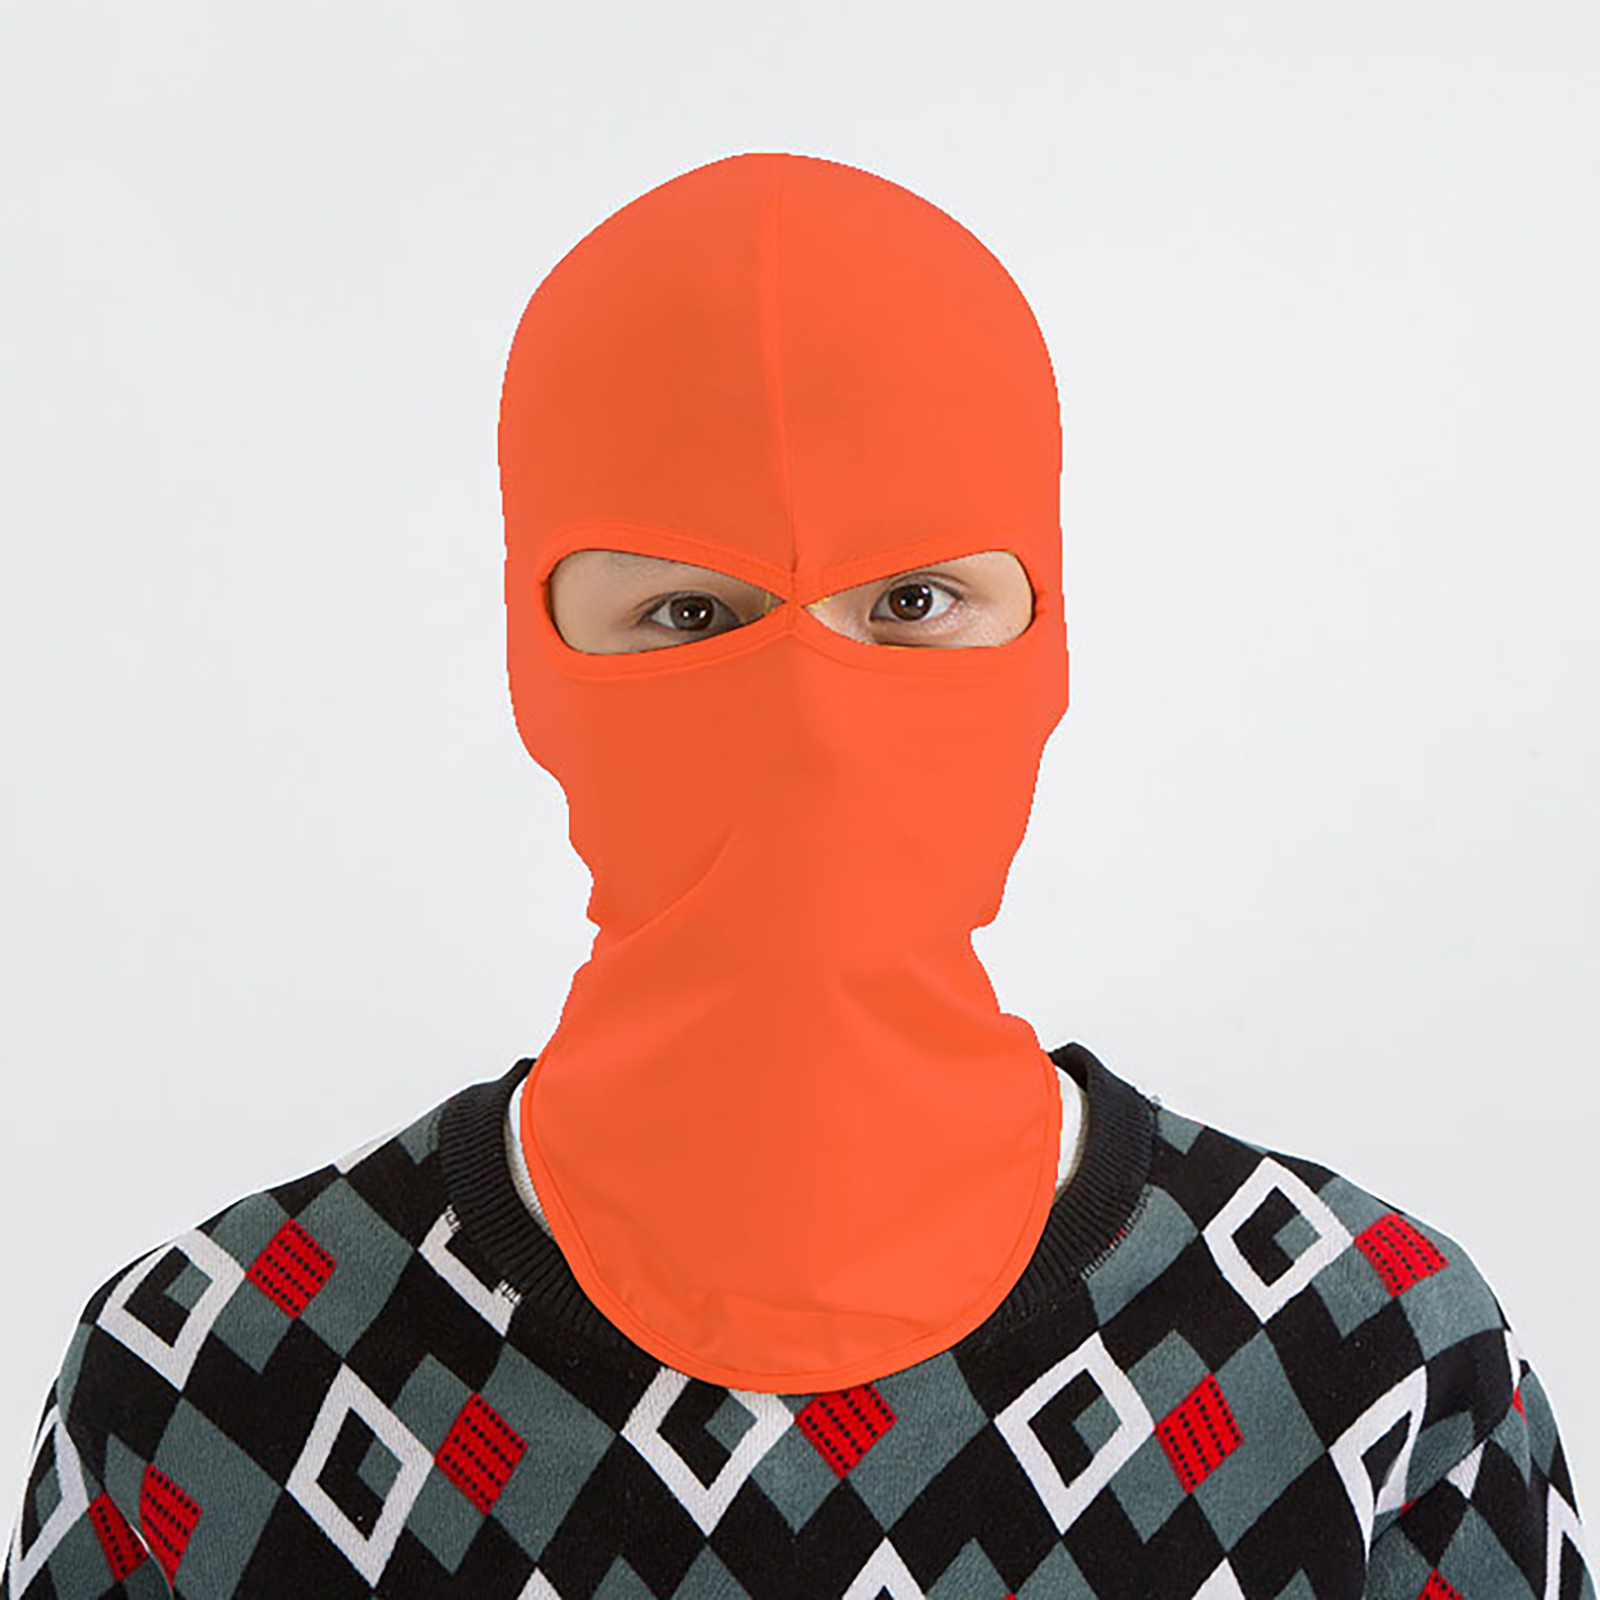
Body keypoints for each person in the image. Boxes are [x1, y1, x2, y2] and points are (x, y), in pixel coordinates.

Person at [3, 150, 1589, 1600]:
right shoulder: (197, 1388)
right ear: (531, 665)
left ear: (1050, 641)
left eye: (911, 603)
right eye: (692, 615)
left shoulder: (1377, 1364)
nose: (814, 724)